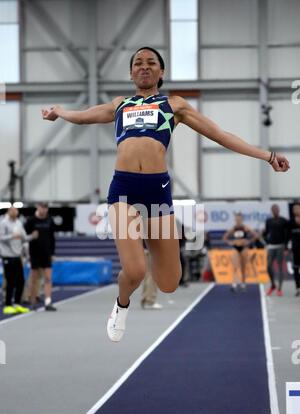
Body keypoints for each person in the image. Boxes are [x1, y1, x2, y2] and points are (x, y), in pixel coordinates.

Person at [41, 46, 290, 341]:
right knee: (133, 271)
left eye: (150, 63)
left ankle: (152, 282)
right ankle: (121, 305)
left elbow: (221, 135)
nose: (143, 67)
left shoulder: (175, 105)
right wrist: (59, 112)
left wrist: (267, 155)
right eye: (137, 63)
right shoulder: (121, 104)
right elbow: (83, 116)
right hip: (123, 191)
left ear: (162, 72)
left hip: (157, 193)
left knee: (170, 282)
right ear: (131, 72)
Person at [0, 206, 38, 314]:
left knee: (20, 281)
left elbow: (24, 237)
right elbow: (1, 237)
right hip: (7, 256)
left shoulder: (19, 223)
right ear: (8, 211)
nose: (15, 212)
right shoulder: (3, 223)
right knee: (10, 281)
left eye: (16, 210)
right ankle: (8, 304)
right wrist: (12, 236)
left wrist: (32, 236)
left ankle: (17, 303)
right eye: (12, 210)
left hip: (17, 255)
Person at [25, 202, 57, 311]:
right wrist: (31, 237)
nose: (44, 210)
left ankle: (48, 302)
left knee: (48, 278)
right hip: (34, 253)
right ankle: (32, 301)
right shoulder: (31, 221)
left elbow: (52, 238)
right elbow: (25, 237)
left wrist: (53, 253)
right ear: (38, 208)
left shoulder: (49, 220)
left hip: (46, 254)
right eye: (42, 208)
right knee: (33, 278)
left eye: (45, 208)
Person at [223, 213, 258, 292]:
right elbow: (225, 237)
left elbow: (255, 235)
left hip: (244, 248)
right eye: (236, 219)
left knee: (243, 268)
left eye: (239, 219)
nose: (238, 221)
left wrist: (249, 241)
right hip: (235, 248)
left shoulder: (245, 228)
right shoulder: (233, 228)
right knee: (235, 267)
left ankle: (243, 284)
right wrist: (231, 243)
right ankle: (234, 285)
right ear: (235, 220)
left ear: (241, 220)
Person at [263, 204, 289, 296]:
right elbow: (265, 232)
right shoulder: (268, 221)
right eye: (273, 209)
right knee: (268, 266)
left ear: (279, 210)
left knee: (280, 267)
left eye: (276, 209)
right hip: (271, 246)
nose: (275, 211)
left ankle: (279, 289)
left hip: (280, 246)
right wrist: (266, 241)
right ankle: (273, 285)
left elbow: (288, 233)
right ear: (271, 211)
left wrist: (286, 246)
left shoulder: (284, 221)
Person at [290, 204, 300, 297]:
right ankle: (297, 288)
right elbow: (288, 234)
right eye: (294, 209)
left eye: (297, 208)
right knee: (296, 268)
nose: (295, 210)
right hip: (295, 247)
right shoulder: (291, 221)